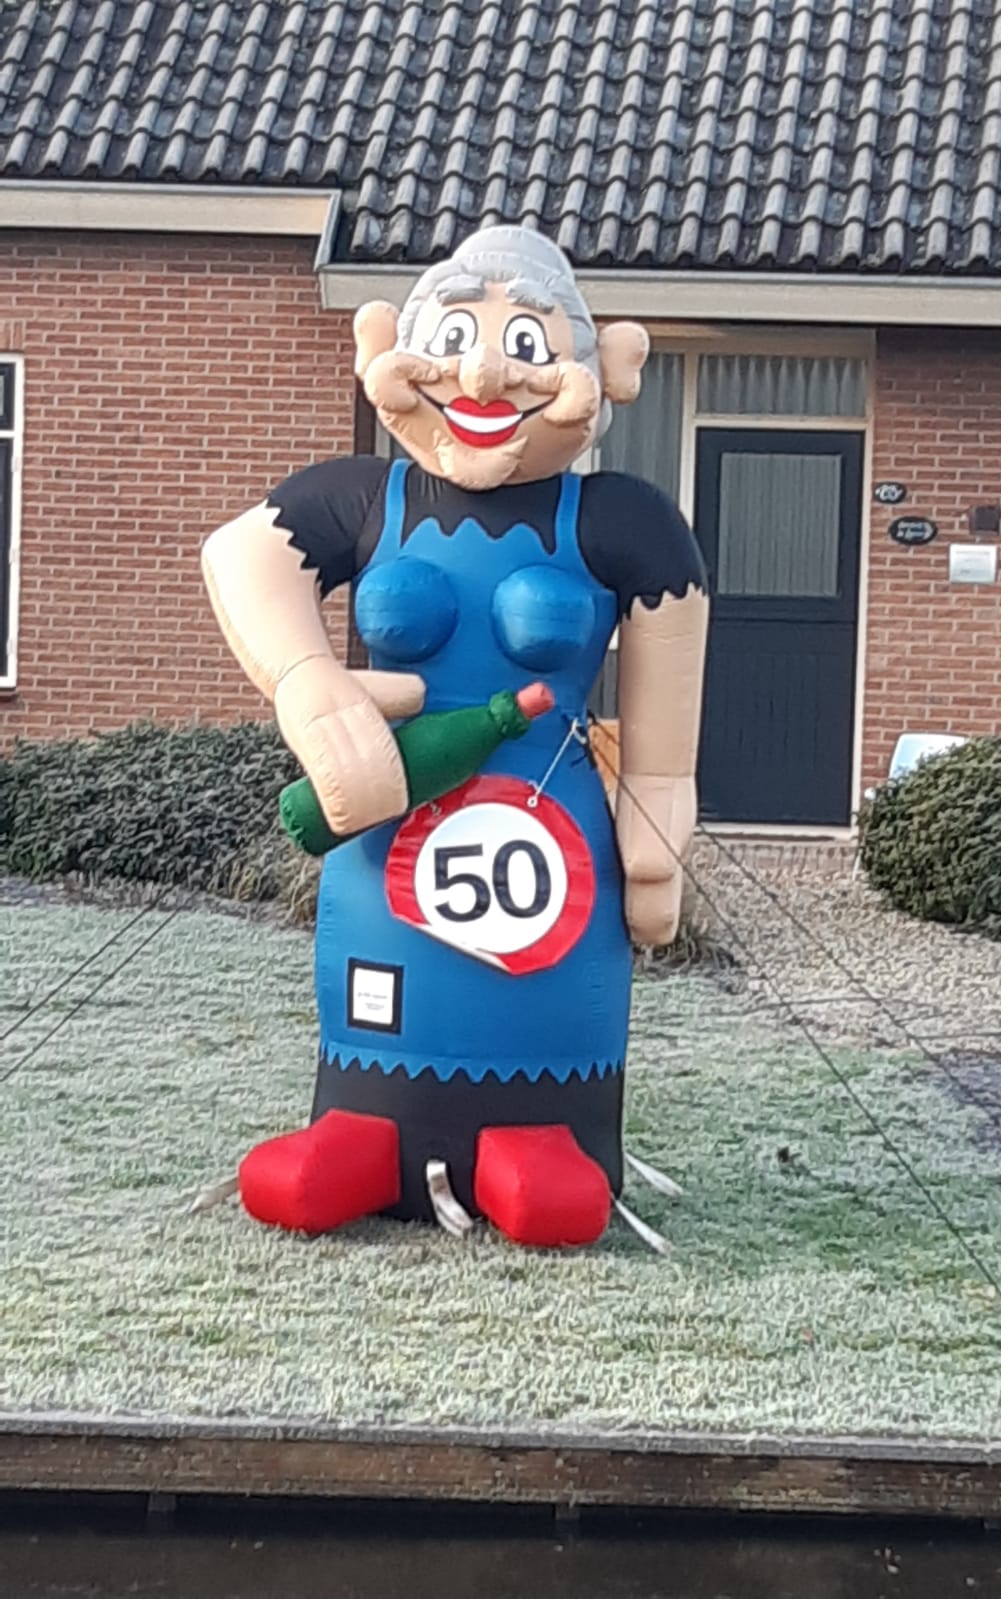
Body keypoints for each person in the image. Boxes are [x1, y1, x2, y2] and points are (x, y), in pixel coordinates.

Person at [201, 226, 708, 1248]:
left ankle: (545, 1132)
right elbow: (241, 555)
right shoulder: (362, 499)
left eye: (525, 344)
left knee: (535, 990)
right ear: (387, 346)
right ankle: (365, 1126)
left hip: (554, 813)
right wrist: (307, 682)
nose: (481, 374)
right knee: (383, 981)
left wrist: (658, 814)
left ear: (607, 369)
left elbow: (672, 663)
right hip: (387, 813)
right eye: (451, 337)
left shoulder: (622, 521)